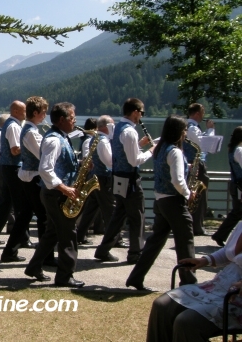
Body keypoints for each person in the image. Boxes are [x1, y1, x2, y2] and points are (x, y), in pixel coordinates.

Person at [126, 115, 196, 291]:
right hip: (174, 202)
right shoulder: (175, 151)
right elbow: (178, 181)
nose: (185, 133)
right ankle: (189, 283)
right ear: (179, 132)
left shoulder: (160, 148)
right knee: (185, 242)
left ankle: (136, 277)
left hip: (160, 201)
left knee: (154, 242)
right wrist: (189, 194)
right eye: (184, 130)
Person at [146, 221, 242, 342]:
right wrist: (205, 260)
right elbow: (228, 252)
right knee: (162, 305)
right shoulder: (240, 224)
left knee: (186, 322)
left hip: (236, 295)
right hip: (222, 283)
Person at [24, 102, 84, 287]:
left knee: (52, 233)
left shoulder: (62, 137)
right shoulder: (54, 140)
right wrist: (64, 188)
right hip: (55, 194)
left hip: (54, 193)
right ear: (61, 120)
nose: (75, 121)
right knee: (68, 235)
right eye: (72, 118)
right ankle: (65, 277)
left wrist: (81, 164)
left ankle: (33, 267)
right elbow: (45, 169)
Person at [94, 98, 154, 264]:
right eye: (142, 112)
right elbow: (134, 161)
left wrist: (141, 146)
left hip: (118, 176)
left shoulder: (117, 128)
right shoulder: (130, 131)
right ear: (135, 112)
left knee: (118, 216)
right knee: (137, 216)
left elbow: (125, 155)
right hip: (130, 179)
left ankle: (103, 250)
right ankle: (135, 253)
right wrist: (151, 151)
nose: (141, 116)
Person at [2, 97, 55, 264]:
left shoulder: (28, 129)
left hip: (27, 176)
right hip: (32, 178)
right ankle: (45, 257)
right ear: (36, 113)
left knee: (24, 216)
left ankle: (9, 252)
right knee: (43, 216)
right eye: (44, 112)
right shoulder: (30, 132)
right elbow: (42, 155)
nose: (45, 115)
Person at [0, 100, 27, 245]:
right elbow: (15, 150)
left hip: (7, 168)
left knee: (5, 203)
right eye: (24, 111)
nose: (26, 113)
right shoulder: (14, 126)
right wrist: (30, 146)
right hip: (12, 168)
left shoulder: (9, 125)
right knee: (20, 205)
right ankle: (22, 238)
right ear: (16, 111)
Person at [76, 115, 122, 246]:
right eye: (112, 125)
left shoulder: (94, 138)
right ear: (106, 126)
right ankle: (116, 239)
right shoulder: (103, 141)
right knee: (110, 209)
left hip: (94, 177)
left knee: (91, 208)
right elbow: (109, 161)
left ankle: (80, 235)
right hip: (102, 178)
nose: (114, 128)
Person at [183, 103, 215, 236]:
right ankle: (197, 226)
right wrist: (210, 130)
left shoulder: (188, 127)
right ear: (197, 113)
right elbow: (206, 145)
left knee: (195, 196)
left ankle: (195, 225)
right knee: (199, 197)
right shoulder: (192, 129)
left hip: (193, 164)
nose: (203, 116)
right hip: (197, 165)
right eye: (202, 113)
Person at [211, 127, 242, 246]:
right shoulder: (239, 150)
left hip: (235, 184)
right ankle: (220, 235)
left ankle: (220, 235)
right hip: (240, 186)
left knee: (237, 212)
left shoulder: (233, 149)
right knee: (237, 212)